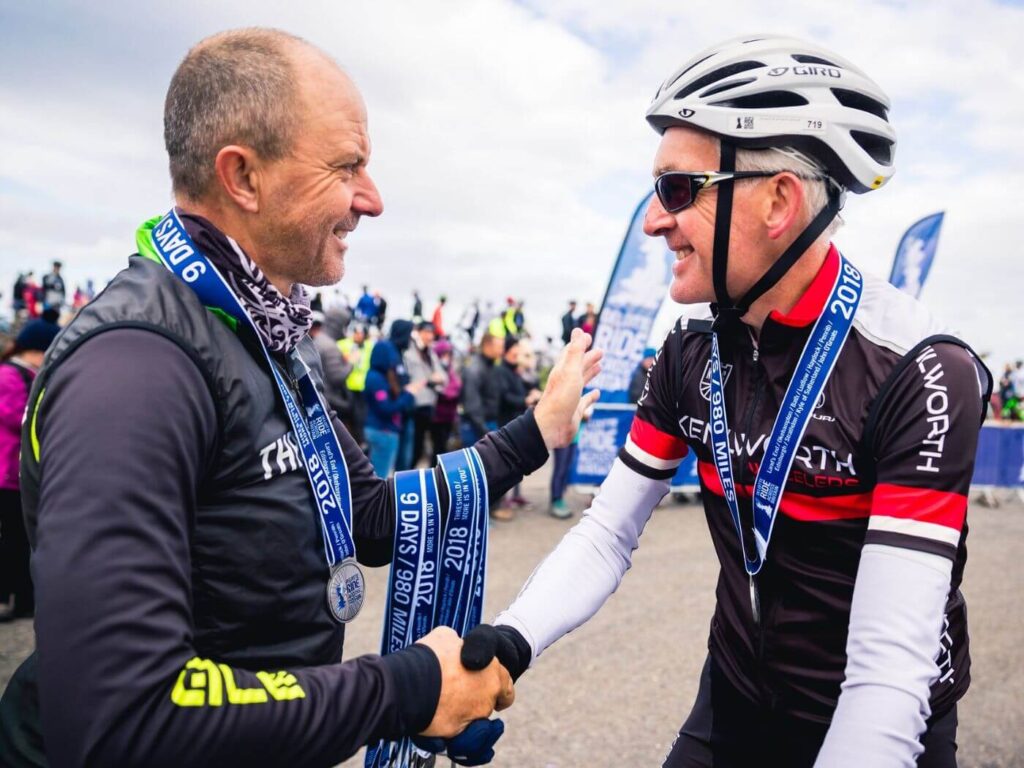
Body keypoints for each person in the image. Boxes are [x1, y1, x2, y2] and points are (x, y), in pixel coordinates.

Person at [0, 28, 602, 768]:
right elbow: (123, 714)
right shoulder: (137, 364)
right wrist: (407, 691)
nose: (372, 200)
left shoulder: (271, 333)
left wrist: (535, 431)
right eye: (347, 166)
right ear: (243, 177)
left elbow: (370, 517)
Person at [482, 35, 991, 768]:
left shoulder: (917, 368)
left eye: (677, 189)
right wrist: (512, 640)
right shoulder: (691, 352)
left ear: (778, 199)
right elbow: (607, 533)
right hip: (735, 702)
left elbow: (888, 672)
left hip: (878, 719)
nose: (656, 220)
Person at [0, 320, 61, 622]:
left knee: (19, 539)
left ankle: (20, 598)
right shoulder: (10, 375)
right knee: (14, 539)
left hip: (15, 472)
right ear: (34, 350)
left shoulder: (26, 373)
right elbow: (15, 416)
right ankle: (15, 598)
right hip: (7, 473)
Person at [492, 337, 543, 519]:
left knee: (517, 462)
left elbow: (522, 389)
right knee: (504, 464)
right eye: (516, 348)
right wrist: (525, 400)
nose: (519, 353)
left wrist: (531, 394)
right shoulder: (500, 371)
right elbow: (505, 397)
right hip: (505, 423)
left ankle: (514, 496)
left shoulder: (516, 371)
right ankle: (500, 502)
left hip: (516, 421)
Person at [364, 340, 420, 478]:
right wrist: (408, 395)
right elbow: (386, 408)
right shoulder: (376, 379)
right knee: (379, 478)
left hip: (381, 430)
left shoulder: (378, 376)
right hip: (383, 432)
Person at [403, 321, 448, 468]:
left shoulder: (431, 353)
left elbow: (443, 377)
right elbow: (412, 378)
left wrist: (436, 379)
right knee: (412, 449)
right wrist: (430, 379)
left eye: (432, 333)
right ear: (418, 332)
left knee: (422, 447)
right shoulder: (409, 352)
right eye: (426, 332)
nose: (429, 336)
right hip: (414, 405)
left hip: (428, 405)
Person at [310, 309, 354, 422]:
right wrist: (350, 364)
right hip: (328, 399)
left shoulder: (317, 339)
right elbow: (337, 377)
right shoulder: (330, 346)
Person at [338, 323, 374, 445]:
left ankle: (359, 441)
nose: (358, 336)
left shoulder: (369, 346)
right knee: (346, 416)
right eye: (356, 333)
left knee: (359, 417)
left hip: (362, 386)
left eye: (361, 333)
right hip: (347, 385)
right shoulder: (344, 344)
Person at [430, 338, 462, 465]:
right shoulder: (434, 369)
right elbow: (445, 392)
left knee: (443, 449)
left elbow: (455, 387)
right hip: (437, 417)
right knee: (438, 449)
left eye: (448, 354)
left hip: (449, 417)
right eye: (443, 354)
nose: (446, 357)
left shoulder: (451, 371)